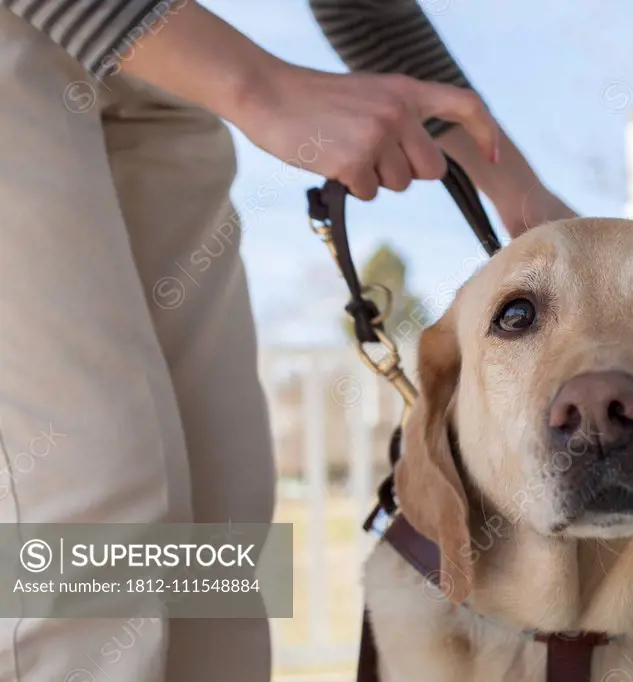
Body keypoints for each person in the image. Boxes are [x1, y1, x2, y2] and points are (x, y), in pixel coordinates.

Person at [0, 1, 575, 681]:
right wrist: (261, 88)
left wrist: (527, 202)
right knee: (90, 509)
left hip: (162, 56)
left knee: (222, 522)